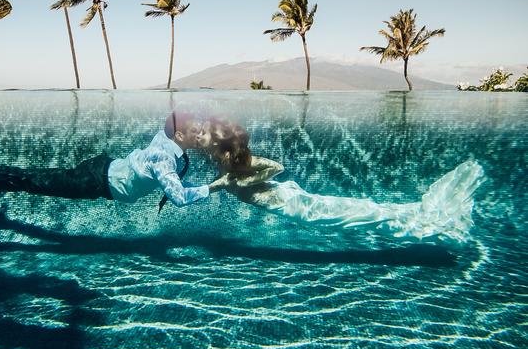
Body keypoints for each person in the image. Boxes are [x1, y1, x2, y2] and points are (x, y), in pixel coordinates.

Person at [199, 119, 485, 241]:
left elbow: (276, 166)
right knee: (361, 212)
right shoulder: (227, 167)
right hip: (294, 205)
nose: (208, 149)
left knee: (360, 215)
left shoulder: (243, 163)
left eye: (211, 145)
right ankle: (425, 216)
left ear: (224, 149)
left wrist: (244, 183)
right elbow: (217, 184)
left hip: (294, 205)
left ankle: (438, 227)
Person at [0, 111, 218, 210]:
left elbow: (172, 182)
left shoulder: (167, 140)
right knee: (33, 180)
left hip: (104, 170)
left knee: (36, 181)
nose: (201, 134)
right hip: (94, 179)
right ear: (179, 134)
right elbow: (179, 197)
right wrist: (216, 187)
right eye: (197, 131)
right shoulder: (163, 157)